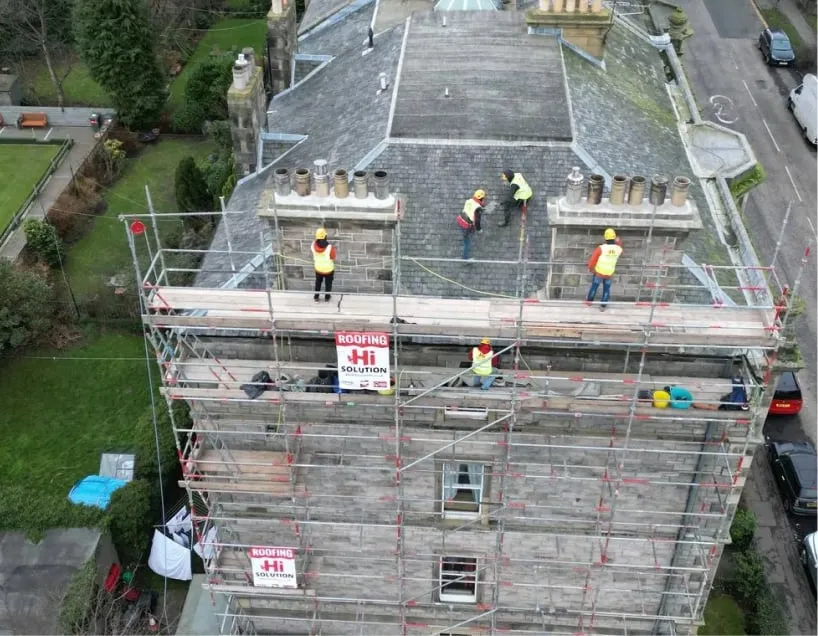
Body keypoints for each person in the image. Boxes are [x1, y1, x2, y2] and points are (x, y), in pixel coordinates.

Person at [586, 228, 623, 311]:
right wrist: (618, 241)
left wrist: (590, 268)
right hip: (609, 273)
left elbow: (593, 260)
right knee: (606, 289)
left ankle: (589, 301)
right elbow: (620, 246)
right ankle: (603, 306)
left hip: (599, 272)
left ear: (605, 237)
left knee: (594, 287)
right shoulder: (618, 249)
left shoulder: (601, 248)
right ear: (614, 237)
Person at [455, 190, 486, 260]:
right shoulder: (478, 209)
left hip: (460, 220)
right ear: (481, 198)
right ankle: (465, 258)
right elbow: (477, 221)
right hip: (466, 226)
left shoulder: (469, 201)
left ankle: (468, 233)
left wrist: (481, 207)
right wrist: (479, 230)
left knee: (468, 233)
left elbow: (471, 209)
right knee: (467, 242)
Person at [312, 228, 337, 302]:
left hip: (318, 268)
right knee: (328, 284)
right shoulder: (330, 247)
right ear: (325, 236)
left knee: (318, 282)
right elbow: (333, 257)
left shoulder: (313, 245)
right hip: (328, 270)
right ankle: (327, 297)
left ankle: (316, 297)